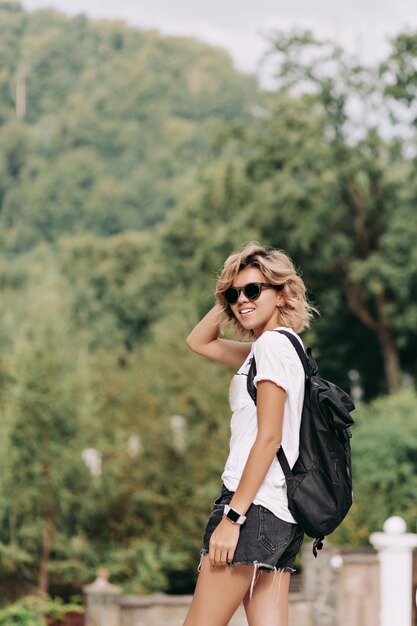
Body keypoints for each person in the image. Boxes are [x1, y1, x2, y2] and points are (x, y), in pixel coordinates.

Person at [183, 242, 316, 626]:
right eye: (234, 292)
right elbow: (199, 342)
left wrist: (233, 517)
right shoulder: (279, 348)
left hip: (252, 508)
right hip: (280, 515)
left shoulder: (273, 346)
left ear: (282, 293)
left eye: (254, 290)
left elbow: (269, 437)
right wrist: (230, 297)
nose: (242, 299)